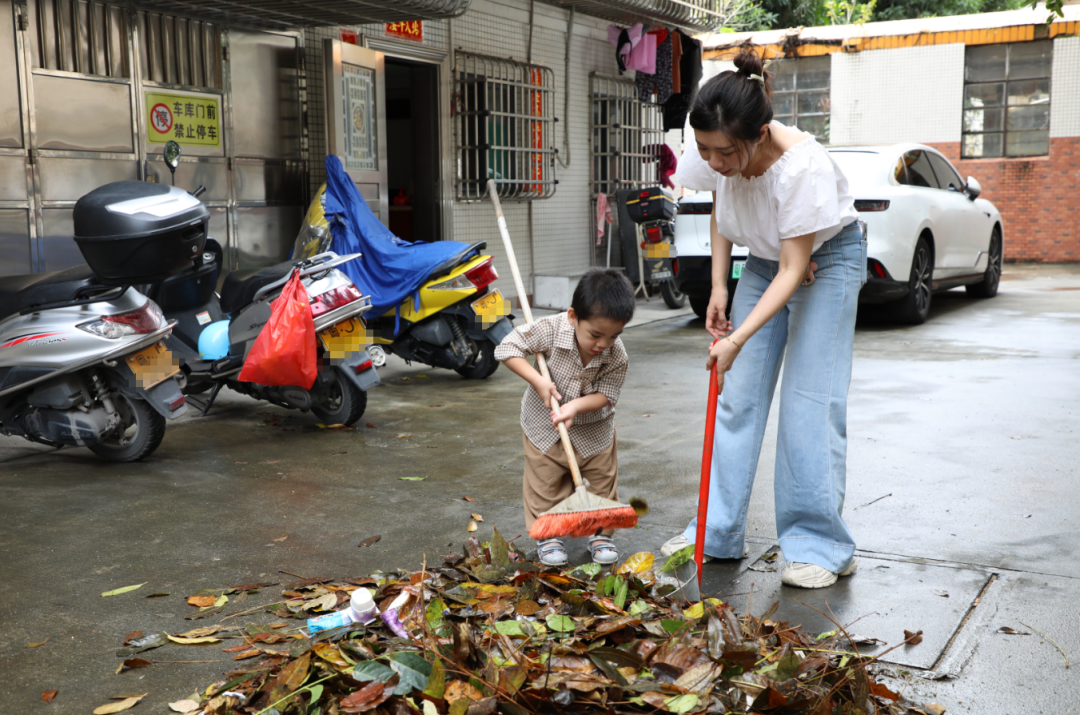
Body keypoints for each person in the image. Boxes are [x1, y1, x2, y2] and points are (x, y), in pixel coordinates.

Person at [659, 50, 867, 589]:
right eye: (705, 149)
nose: (714, 161)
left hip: (826, 261)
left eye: (725, 152)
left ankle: (821, 546)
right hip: (765, 262)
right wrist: (719, 287)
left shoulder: (802, 167)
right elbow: (722, 210)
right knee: (738, 396)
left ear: (758, 134)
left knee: (808, 403)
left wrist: (738, 339)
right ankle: (715, 529)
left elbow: (796, 266)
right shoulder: (717, 145)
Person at [495, 269, 636, 567]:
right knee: (544, 483)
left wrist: (575, 407)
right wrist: (538, 381)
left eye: (613, 335)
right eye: (595, 335)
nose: (603, 344)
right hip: (544, 426)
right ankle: (549, 535)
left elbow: (608, 394)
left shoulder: (616, 354)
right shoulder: (548, 329)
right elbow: (507, 348)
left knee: (602, 482)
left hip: (594, 430)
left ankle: (600, 534)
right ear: (573, 316)